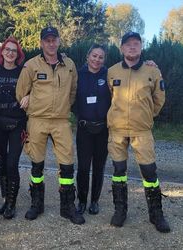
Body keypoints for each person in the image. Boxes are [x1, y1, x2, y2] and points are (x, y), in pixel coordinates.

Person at [16, 26, 85, 224]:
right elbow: (21, 92)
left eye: (54, 39)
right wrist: (29, 99)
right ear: (41, 43)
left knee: (67, 165)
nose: (51, 43)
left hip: (61, 121)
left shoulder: (69, 64)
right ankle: (36, 204)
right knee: (36, 165)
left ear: (59, 41)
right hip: (37, 120)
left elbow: (73, 92)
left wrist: (64, 108)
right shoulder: (31, 65)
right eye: (47, 40)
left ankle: (67, 206)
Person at [107, 31, 170, 233]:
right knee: (118, 172)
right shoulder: (112, 71)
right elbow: (110, 96)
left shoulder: (152, 71)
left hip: (142, 131)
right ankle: (120, 211)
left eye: (136, 43)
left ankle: (156, 214)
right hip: (117, 131)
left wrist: (147, 116)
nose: (132, 47)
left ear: (141, 47)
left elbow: (159, 98)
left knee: (150, 172)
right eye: (128, 44)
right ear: (122, 49)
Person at [0, 37, 26, 219]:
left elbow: (39, 88)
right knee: (1, 162)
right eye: (7, 49)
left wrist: (32, 97)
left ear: (18, 54)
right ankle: (5, 199)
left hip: (18, 124)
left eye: (14, 50)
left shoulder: (23, 72)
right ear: (2, 52)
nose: (10, 52)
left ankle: (12, 203)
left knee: (12, 163)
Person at [74, 44, 111, 215]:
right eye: (94, 55)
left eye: (100, 57)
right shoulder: (77, 75)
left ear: (104, 59)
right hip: (84, 129)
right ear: (88, 56)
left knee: (99, 167)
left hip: (103, 129)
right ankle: (81, 201)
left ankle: (94, 201)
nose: (97, 59)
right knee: (83, 167)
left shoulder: (109, 74)